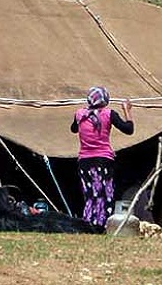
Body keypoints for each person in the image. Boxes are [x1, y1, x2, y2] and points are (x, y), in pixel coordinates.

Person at [71, 85, 134, 228]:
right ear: (105, 100)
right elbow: (129, 129)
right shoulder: (108, 114)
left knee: (90, 195)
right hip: (102, 161)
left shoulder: (80, 114)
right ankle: (101, 224)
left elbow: (73, 129)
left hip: (84, 162)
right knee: (105, 194)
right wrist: (127, 110)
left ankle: (88, 223)